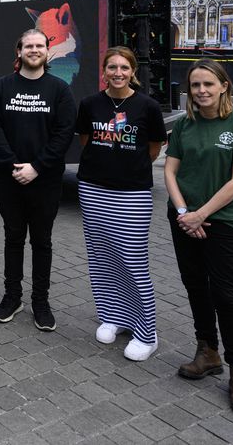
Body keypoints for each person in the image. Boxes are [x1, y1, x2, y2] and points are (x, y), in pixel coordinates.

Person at [165, 58, 233, 416]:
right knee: (194, 286)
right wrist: (182, 214)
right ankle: (207, 351)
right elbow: (171, 172)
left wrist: (200, 214)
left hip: (223, 221)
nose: (202, 91)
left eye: (208, 84)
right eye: (195, 85)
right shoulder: (185, 125)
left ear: (224, 86)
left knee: (225, 294)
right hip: (184, 219)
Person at [75, 47, 166, 361]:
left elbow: (153, 148)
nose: (117, 72)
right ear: (104, 70)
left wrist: (128, 167)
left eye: (124, 67)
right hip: (93, 189)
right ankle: (113, 315)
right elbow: (86, 141)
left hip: (132, 194)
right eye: (111, 67)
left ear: (133, 71)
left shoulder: (148, 106)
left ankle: (146, 332)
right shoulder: (90, 104)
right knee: (102, 257)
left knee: (132, 259)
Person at [0, 29, 75, 331]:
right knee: (13, 238)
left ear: (48, 52)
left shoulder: (59, 90)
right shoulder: (1, 87)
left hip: (45, 180)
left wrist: (36, 167)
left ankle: (41, 302)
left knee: (42, 241)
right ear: (19, 51)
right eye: (29, 46)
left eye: (40, 46)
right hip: (9, 179)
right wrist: (13, 165)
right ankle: (12, 297)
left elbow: (63, 135)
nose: (34, 50)